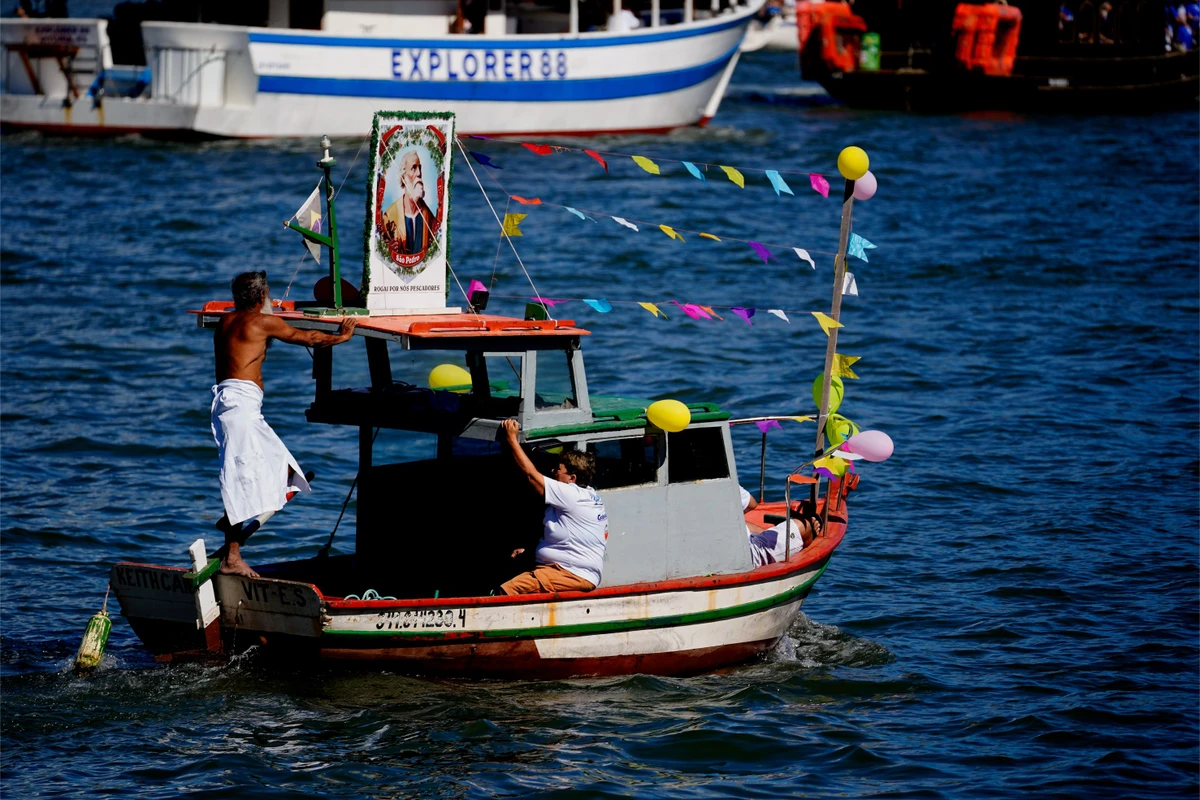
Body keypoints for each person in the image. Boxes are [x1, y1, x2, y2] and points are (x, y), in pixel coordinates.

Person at [211, 271, 357, 577]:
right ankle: (232, 555)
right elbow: (308, 337)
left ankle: (231, 531)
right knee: (242, 478)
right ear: (261, 296)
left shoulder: (225, 321)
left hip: (230, 406)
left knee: (281, 470)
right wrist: (341, 337)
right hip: (241, 411)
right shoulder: (262, 322)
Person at [500, 419, 608, 595]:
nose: (553, 472)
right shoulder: (587, 494)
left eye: (558, 469)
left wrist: (511, 439)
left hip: (571, 573)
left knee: (508, 590)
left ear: (572, 478)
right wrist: (530, 553)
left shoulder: (571, 494)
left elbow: (531, 476)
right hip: (563, 568)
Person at [383, 151, 436, 256]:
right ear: (403, 178)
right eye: (414, 168)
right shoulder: (390, 216)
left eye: (420, 168)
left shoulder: (429, 217)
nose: (419, 173)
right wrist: (390, 249)